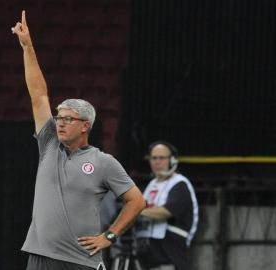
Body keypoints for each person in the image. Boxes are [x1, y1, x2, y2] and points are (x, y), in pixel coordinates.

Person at [11, 11, 146, 270]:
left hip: (79, 260)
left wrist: (109, 236)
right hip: (39, 256)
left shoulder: (103, 162)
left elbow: (136, 201)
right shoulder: (49, 143)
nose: (59, 122)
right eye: (59, 117)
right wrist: (28, 47)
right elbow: (39, 95)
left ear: (86, 126)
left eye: (68, 119)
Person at [136, 141, 199, 270]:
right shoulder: (152, 184)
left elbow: (167, 211)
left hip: (169, 251)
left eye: (162, 158)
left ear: (172, 160)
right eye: (154, 158)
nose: (157, 162)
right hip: (149, 252)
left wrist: (135, 211)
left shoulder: (180, 184)